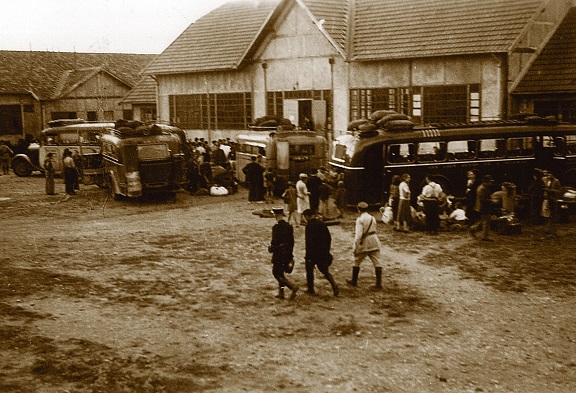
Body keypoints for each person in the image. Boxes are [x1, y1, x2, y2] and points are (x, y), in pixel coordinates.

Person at [302, 209, 339, 296]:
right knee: (324, 271)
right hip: (323, 252)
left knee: (309, 270)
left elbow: (309, 242)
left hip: (313, 253)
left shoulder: (309, 226)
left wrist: (308, 256)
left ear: (308, 216)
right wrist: (326, 250)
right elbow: (329, 238)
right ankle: (334, 284)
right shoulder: (322, 223)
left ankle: (310, 289)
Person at [346, 201, 383, 289]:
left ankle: (354, 281)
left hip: (365, 241)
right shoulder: (372, 218)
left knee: (357, 261)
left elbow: (358, 235)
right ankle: (378, 284)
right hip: (374, 239)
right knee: (377, 261)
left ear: (358, 209)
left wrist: (355, 247)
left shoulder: (360, 220)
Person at [268, 207, 299, 300]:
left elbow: (274, 242)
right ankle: (281, 293)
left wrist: (271, 248)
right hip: (287, 253)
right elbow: (291, 241)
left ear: (276, 215)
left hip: (279, 253)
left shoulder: (276, 227)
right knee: (281, 273)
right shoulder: (289, 226)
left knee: (276, 273)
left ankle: (292, 287)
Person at [469, 175, 496, 241]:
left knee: (483, 221)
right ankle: (484, 236)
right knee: (486, 221)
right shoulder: (482, 189)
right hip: (483, 207)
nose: (491, 183)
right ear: (485, 182)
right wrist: (492, 201)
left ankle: (473, 229)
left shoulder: (482, 187)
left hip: (481, 207)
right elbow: (483, 199)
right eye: (489, 182)